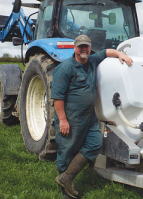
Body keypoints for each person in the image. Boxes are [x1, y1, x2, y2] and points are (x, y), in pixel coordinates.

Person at [51, 35, 133, 198]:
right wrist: (62, 120)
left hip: (89, 117)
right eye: (80, 46)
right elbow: (57, 98)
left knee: (95, 143)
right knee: (67, 150)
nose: (84, 49)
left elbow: (106, 52)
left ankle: (66, 178)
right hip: (71, 118)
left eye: (86, 46)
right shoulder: (66, 68)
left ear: (90, 48)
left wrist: (120, 54)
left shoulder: (92, 61)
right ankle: (65, 189)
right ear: (74, 48)